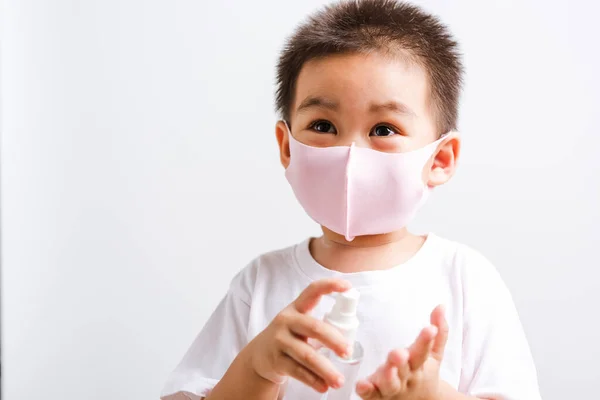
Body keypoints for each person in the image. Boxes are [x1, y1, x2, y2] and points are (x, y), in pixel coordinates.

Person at [161, 1, 541, 399]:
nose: (350, 154)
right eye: (323, 125)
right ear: (287, 148)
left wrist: (432, 395)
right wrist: (257, 368)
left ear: (440, 159)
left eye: (384, 128)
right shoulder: (259, 285)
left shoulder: (464, 280)